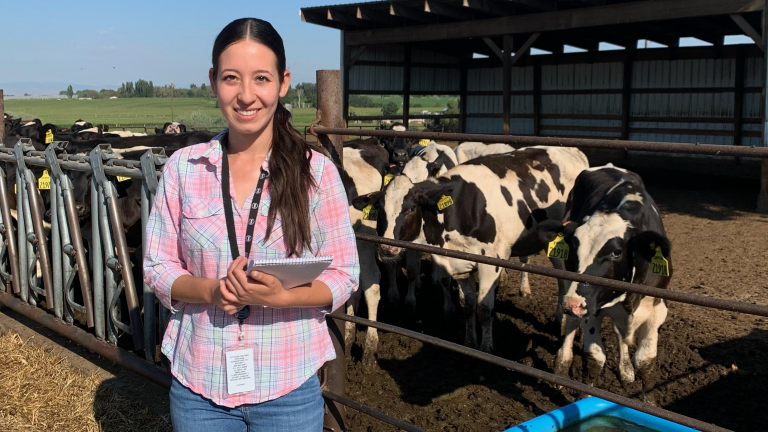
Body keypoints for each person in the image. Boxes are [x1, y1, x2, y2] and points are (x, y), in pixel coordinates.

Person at [143, 17, 359, 432]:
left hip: (288, 387)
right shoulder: (183, 170)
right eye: (230, 78)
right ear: (212, 81)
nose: (246, 95)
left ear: (283, 82)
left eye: (261, 78)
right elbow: (157, 266)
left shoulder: (317, 173)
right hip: (199, 386)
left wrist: (281, 297)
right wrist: (209, 289)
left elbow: (346, 274)